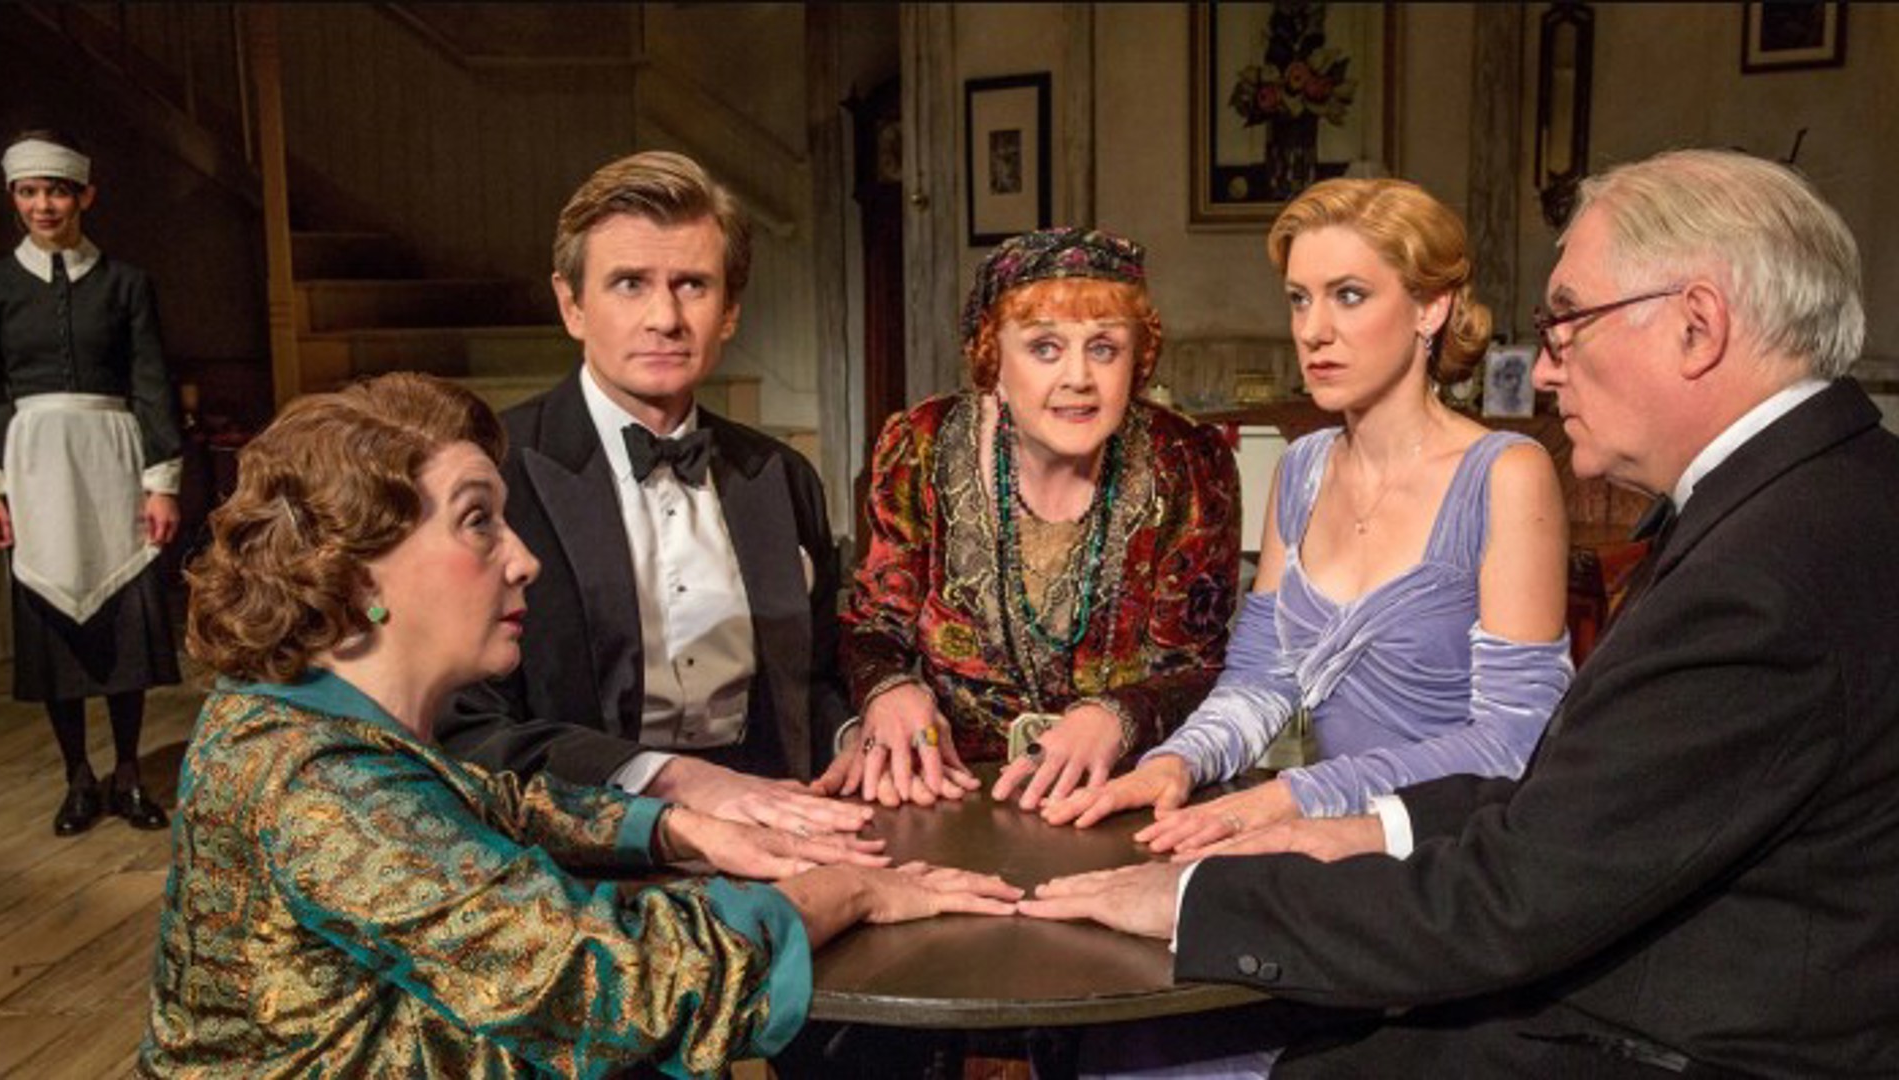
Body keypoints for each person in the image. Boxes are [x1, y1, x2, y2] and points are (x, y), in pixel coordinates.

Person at [1022, 149, 1899, 1077]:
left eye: (1566, 322)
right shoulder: (1824, 493)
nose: (1548, 376)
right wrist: (1208, 776)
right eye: (1298, 299)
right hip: (1519, 906)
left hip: (1651, 1025)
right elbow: (1589, 809)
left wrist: (1221, 880)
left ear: (1698, 327)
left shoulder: (1766, 566)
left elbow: (1525, 872)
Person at [142, 372, 1019, 1077]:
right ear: (359, 571)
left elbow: (484, 802)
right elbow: (617, 992)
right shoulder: (319, 785)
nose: (522, 560)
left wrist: (679, 828)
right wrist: (848, 891)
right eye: (478, 523)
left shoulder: (287, 716)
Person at [1046, 178, 1572, 859]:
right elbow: (1263, 681)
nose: (1313, 330)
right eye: (1300, 299)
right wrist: (1176, 762)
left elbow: (1512, 742)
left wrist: (1294, 794)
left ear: (1430, 307)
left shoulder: (1506, 474)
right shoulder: (1303, 470)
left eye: (1349, 295)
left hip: (1466, 857)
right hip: (1328, 848)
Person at [436, 151, 866, 841]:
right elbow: (464, 726)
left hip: (782, 819)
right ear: (572, 304)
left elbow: (809, 681)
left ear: (729, 312)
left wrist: (854, 737)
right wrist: (671, 782)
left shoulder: (781, 476)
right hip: (580, 848)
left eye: (693, 285)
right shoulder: (491, 476)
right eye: (630, 284)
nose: (665, 317)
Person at [820, 226, 1242, 811]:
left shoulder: (1188, 462)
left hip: (1122, 793)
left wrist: (1116, 717)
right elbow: (873, 628)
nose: (1078, 378)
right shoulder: (920, 446)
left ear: (1137, 361)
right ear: (993, 357)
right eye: (1045, 347)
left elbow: (1202, 665)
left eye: (1104, 348)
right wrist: (887, 693)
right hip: (950, 788)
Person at [0, 130, 180, 836]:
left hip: (112, 460)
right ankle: (76, 778)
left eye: (57, 190)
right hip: (34, 466)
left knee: (121, 621)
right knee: (54, 624)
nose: (44, 204)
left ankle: (128, 773)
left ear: (84, 196)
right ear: (14, 199)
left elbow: (151, 381)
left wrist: (162, 482)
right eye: (30, 191)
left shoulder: (126, 283)